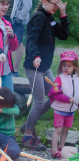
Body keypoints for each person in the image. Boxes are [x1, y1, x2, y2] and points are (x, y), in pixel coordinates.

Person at [21, 0, 69, 151]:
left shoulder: (50, 17)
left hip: (45, 67)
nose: (56, 6)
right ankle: (28, 137)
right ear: (44, 1)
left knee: (55, 95)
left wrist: (63, 15)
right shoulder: (39, 17)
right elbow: (31, 39)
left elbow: (63, 35)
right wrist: (35, 55)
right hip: (34, 66)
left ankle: (28, 125)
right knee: (40, 102)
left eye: (58, 4)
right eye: (54, 3)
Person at [47, 51, 79, 158]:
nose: (66, 68)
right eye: (64, 65)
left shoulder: (78, 78)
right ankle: (54, 150)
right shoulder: (59, 78)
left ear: (75, 66)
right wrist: (66, 99)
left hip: (71, 111)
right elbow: (55, 92)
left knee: (65, 130)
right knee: (58, 129)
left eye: (69, 66)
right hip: (60, 109)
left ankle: (62, 148)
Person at [3, 0, 32, 77]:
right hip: (4, 15)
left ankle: (15, 70)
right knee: (2, 41)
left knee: (18, 42)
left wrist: (19, 18)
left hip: (16, 18)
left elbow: (27, 5)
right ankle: (3, 67)